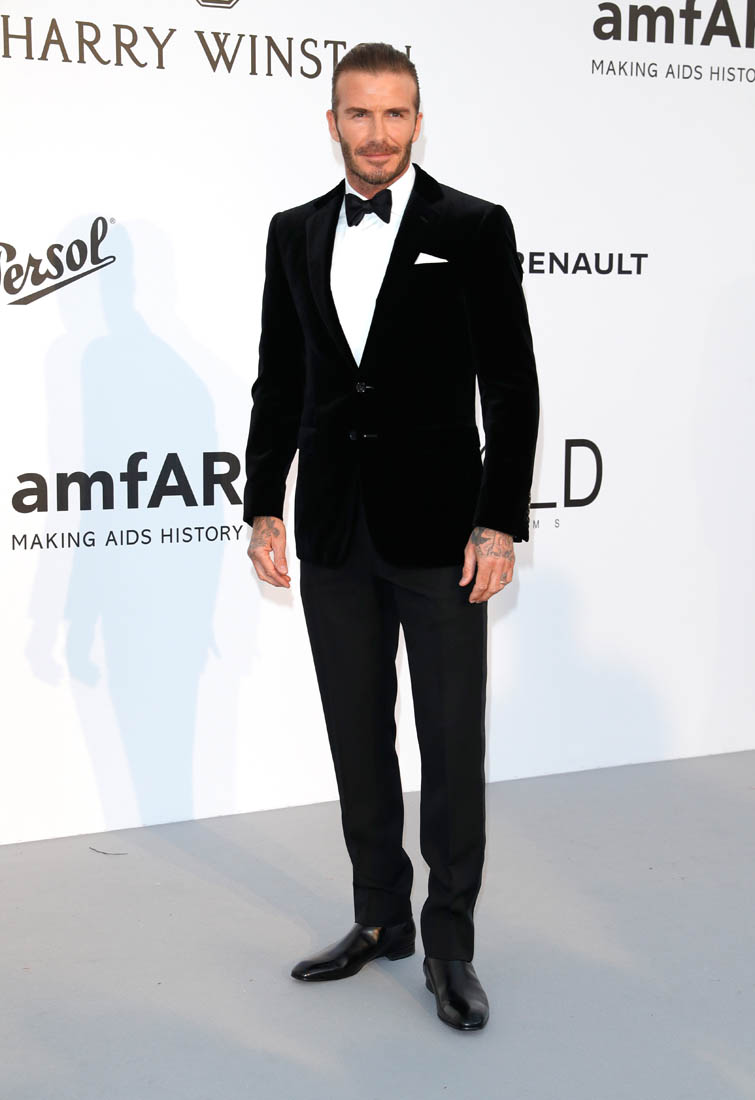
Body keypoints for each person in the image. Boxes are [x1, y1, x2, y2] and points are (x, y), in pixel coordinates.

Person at [243, 41, 539, 1032]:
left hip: (441, 530)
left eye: (395, 114)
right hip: (333, 526)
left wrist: (497, 519)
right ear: (331, 121)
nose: (377, 134)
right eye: (359, 114)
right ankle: (380, 917)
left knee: (450, 741)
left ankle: (449, 943)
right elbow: (280, 378)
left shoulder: (472, 226)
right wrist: (263, 501)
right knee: (356, 734)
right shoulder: (292, 232)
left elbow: (510, 384)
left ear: (417, 120)